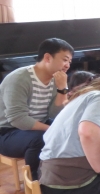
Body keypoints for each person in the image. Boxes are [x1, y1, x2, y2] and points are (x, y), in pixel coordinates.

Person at [0, 38, 73, 179]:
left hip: (37, 126)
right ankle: (38, 183)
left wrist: (62, 89)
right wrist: (51, 130)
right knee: (40, 139)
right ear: (47, 57)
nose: (67, 65)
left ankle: (62, 177)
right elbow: (18, 119)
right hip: (7, 132)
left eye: (70, 61)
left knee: (71, 128)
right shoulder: (19, 78)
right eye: (65, 60)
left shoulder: (56, 80)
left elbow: (54, 114)